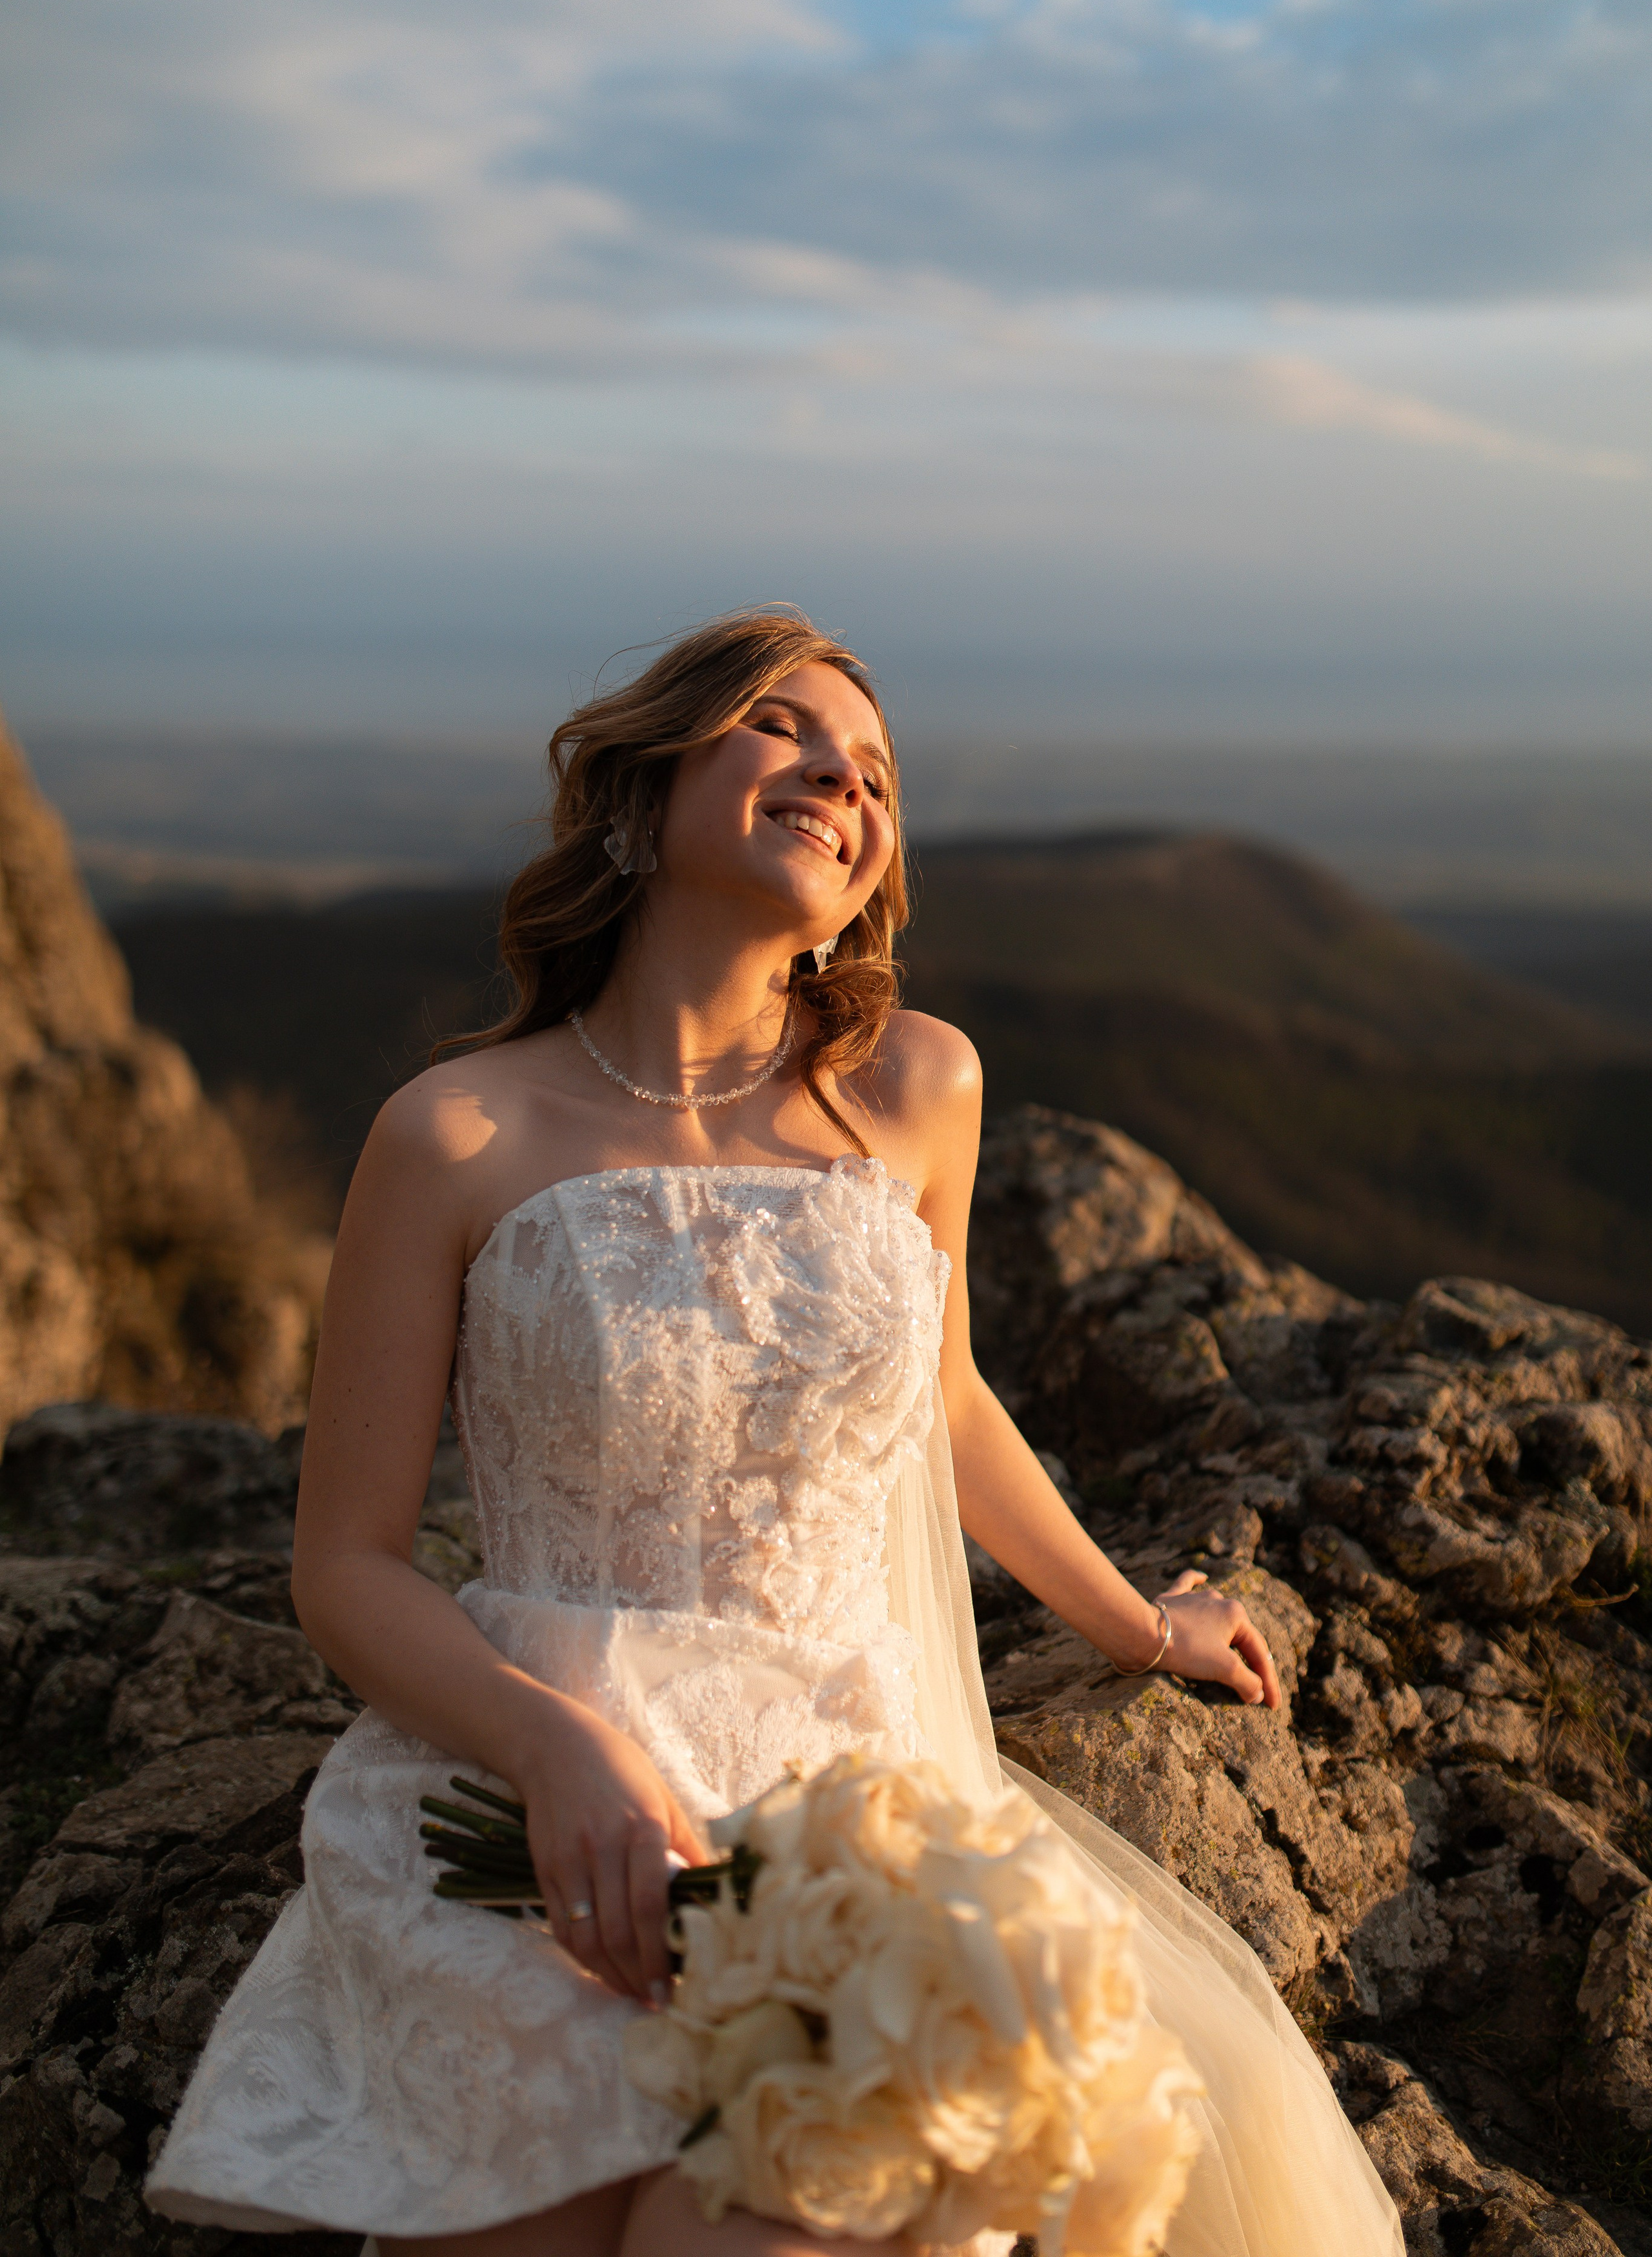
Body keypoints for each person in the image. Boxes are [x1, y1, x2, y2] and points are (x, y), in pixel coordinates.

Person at [148, 608, 1402, 2256]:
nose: (838, 780)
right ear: (643, 788)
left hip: (838, 1794)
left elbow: (940, 1401)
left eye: (873, 775)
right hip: (539, 1784)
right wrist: (551, 1746)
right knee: (533, 2206)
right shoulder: (453, 1131)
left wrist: (1135, 1622)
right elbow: (345, 1566)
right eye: (779, 730)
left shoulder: (915, 1090)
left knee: (771, 2216)